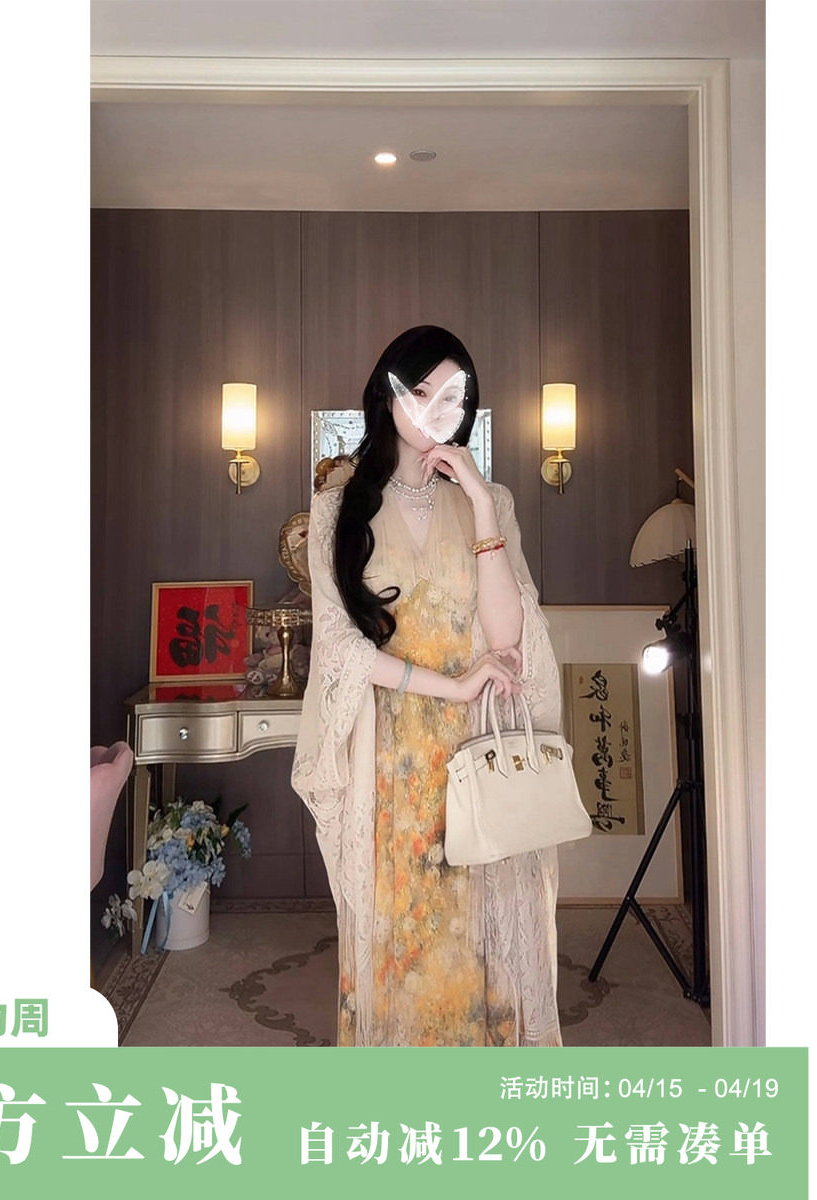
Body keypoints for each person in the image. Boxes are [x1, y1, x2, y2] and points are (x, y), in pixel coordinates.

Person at [291, 324, 564, 1046]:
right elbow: (342, 650)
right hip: (389, 758)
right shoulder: (337, 509)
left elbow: (507, 637)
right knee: (399, 935)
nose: (437, 408)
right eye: (421, 390)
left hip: (476, 751)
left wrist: (480, 503)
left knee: (482, 944)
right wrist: (453, 686)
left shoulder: (489, 501)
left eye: (454, 397)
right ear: (388, 395)